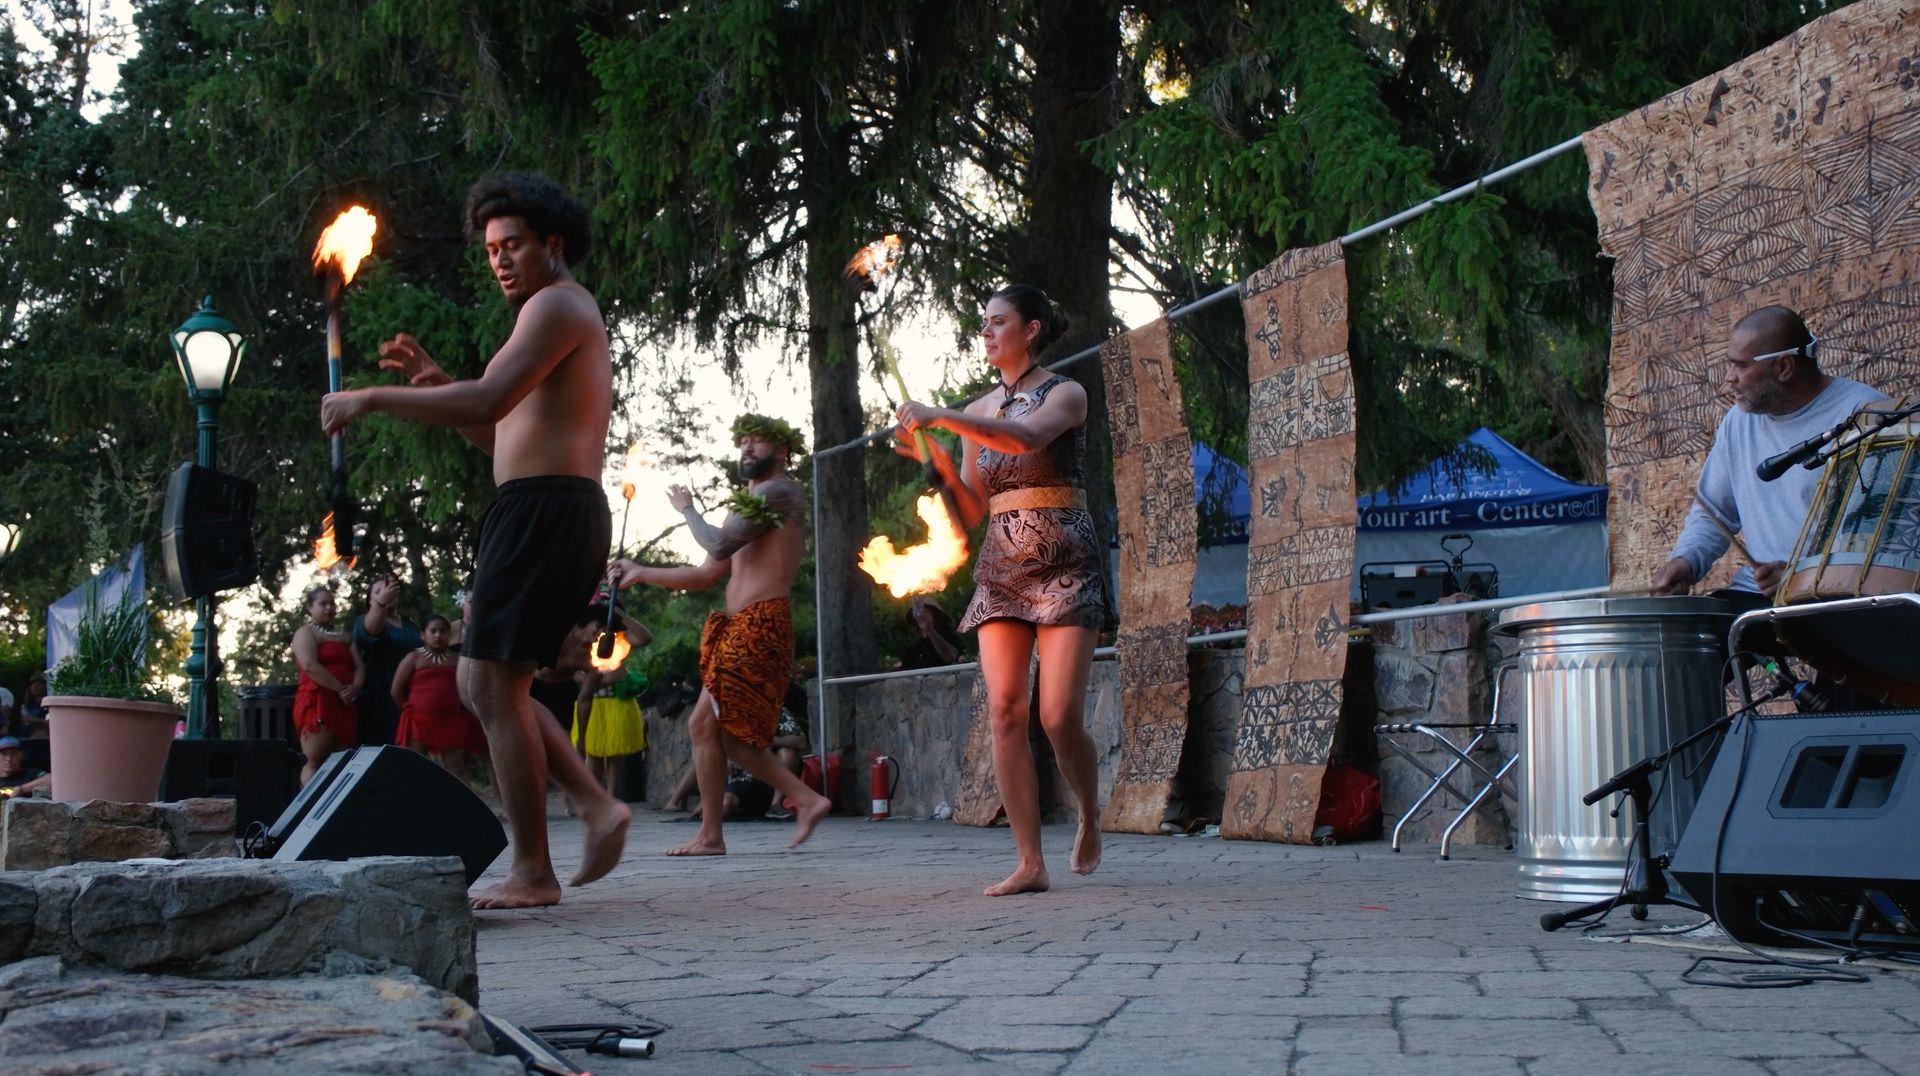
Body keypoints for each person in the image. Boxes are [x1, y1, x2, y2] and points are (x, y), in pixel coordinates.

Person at [321, 171, 630, 909]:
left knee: (489, 685)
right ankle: (594, 806)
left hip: (546, 511)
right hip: (531, 507)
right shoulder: (543, 318)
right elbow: (500, 437)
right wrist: (437, 388)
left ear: (553, 245)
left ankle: (536, 870)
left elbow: (491, 398)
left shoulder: (558, 304)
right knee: (481, 683)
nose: (500, 261)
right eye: (492, 250)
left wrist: (371, 398)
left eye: (513, 245)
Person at [895, 283, 1107, 896]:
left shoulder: (1065, 392)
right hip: (1002, 567)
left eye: (997, 321)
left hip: (1065, 559)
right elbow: (970, 509)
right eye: (983, 323)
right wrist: (939, 464)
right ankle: (1030, 863)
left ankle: (1089, 813)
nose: (985, 332)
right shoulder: (978, 410)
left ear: (1031, 330)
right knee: (1006, 712)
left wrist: (941, 415)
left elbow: (1027, 439)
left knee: (1058, 716)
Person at [611, 413, 832, 855]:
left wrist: (687, 509)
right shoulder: (748, 504)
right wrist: (640, 572)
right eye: (743, 441)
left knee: (704, 725)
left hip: (761, 623)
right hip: (741, 625)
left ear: (781, 452)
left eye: (758, 442)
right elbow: (705, 573)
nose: (747, 447)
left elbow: (715, 544)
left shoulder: (780, 492)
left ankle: (716, 833)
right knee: (722, 735)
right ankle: (800, 801)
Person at [1651, 306, 1888, 611]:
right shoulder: (1738, 422)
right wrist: (1686, 560)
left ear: (1783, 367)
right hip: (1760, 594)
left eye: (1740, 366)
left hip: (1840, 598)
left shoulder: (1867, 416)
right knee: (1695, 632)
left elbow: (1882, 536)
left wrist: (1803, 576)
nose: (1729, 377)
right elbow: (1713, 513)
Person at [392, 614, 478, 790]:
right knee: (417, 765)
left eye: (443, 631)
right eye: (433, 631)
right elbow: (396, 690)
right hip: (420, 721)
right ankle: (416, 803)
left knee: (457, 768)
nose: (438, 635)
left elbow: (469, 687)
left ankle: (464, 805)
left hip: (452, 721)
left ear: (449, 635)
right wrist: (410, 710)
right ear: (423, 635)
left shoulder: (458, 659)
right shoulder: (413, 658)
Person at [291, 586, 364, 787]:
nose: (329, 608)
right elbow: (309, 665)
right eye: (323, 604)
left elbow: (358, 667)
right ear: (310, 608)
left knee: (342, 759)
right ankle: (310, 803)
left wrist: (354, 688)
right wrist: (340, 689)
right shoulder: (305, 632)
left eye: (332, 603)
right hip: (318, 699)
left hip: (344, 702)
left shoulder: (345, 636)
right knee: (314, 759)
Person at [355, 573, 423, 749]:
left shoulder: (409, 625)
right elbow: (371, 634)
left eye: (389, 590)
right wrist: (381, 604)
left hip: (408, 699)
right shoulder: (364, 621)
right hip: (377, 700)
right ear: (370, 600)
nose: (386, 594)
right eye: (379, 591)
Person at [898, 597, 963, 670]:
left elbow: (950, 657)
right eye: (919, 613)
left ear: (937, 616)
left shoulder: (950, 638)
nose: (924, 616)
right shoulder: (913, 650)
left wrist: (929, 630)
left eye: (929, 613)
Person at [19, 673, 48, 739]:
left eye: (40, 683)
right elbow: (25, 719)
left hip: (43, 737)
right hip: (27, 737)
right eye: (33, 683)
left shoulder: (47, 705)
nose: (35, 685)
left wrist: (35, 720)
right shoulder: (27, 705)